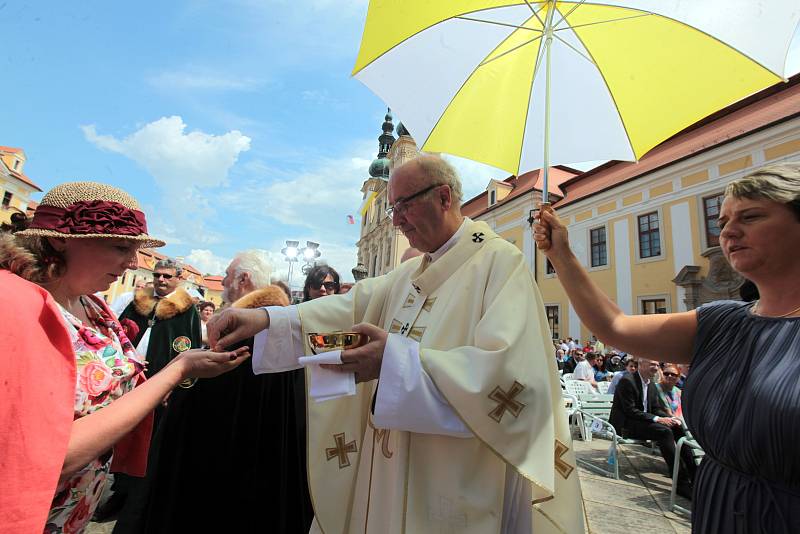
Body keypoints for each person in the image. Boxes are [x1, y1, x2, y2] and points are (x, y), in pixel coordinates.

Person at [208, 155, 583, 534]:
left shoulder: (500, 264)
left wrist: (392, 362)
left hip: (450, 481)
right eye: (392, 208)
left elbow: (507, 378)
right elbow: (347, 307)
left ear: (443, 197)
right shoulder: (409, 273)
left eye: (404, 205)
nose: (396, 221)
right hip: (388, 472)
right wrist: (264, 318)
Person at [534, 162, 800, 532]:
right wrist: (560, 253)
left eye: (751, 217)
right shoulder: (721, 321)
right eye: (722, 222)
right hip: (718, 510)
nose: (728, 233)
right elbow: (615, 326)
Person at [0, 182, 249, 533]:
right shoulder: (13, 304)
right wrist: (177, 371)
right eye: (120, 247)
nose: (133, 263)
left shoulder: (93, 304)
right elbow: (51, 454)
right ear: (60, 241)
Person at [133, 250, 313, 533]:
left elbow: (217, 400)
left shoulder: (244, 326)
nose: (225, 280)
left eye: (228, 275)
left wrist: (180, 391)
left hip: (227, 463)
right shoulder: (278, 324)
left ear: (244, 279)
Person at [108, 257, 204, 525]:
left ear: (178, 279)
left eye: (167, 277)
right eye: (157, 275)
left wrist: (173, 388)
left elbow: (190, 351)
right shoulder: (137, 302)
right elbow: (117, 334)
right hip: (126, 384)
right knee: (117, 439)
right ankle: (117, 490)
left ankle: (133, 500)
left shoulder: (187, 311)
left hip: (156, 391)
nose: (161, 280)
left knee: (146, 446)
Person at [608, 359, 695, 497]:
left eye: (657, 365)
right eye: (652, 364)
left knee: (677, 427)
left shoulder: (651, 385)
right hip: (626, 425)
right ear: (641, 365)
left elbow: (655, 408)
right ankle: (681, 483)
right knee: (664, 432)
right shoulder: (628, 381)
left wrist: (670, 419)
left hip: (642, 422)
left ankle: (695, 475)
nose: (656, 368)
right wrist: (658, 419)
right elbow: (630, 410)